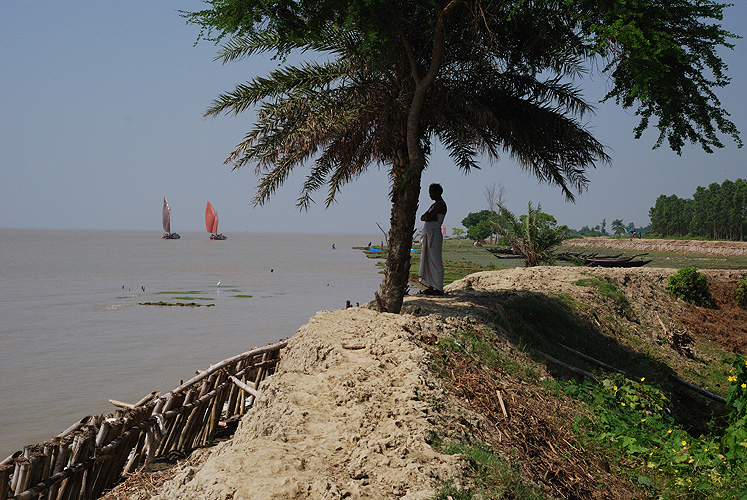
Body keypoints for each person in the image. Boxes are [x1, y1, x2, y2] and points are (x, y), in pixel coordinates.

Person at [418, 183, 447, 295]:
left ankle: (438, 288)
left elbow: (428, 217)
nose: (430, 195)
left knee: (436, 261)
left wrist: (428, 217)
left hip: (434, 235)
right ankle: (431, 287)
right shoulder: (434, 205)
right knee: (429, 261)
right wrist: (428, 217)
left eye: (432, 192)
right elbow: (423, 217)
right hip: (429, 235)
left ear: (438, 192)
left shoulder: (440, 205)